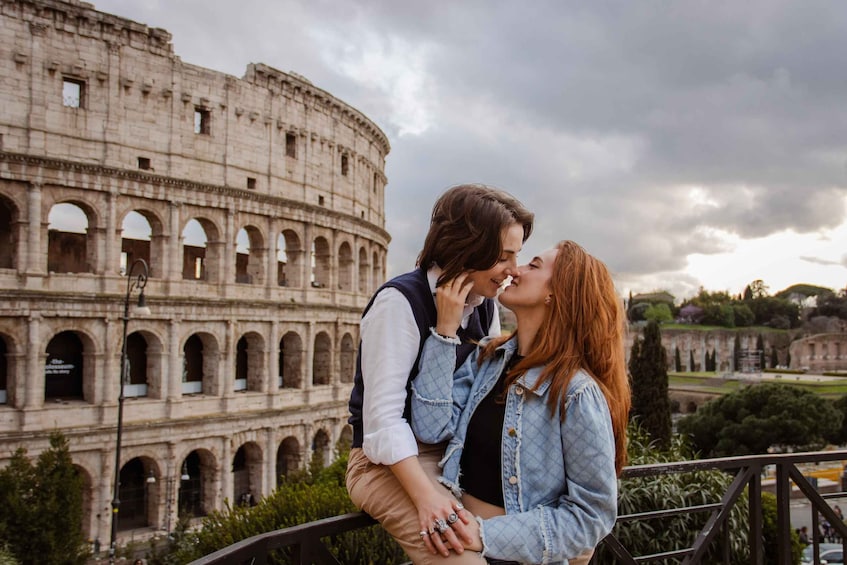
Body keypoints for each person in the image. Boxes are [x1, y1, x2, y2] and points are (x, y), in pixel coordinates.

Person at [346, 184, 534, 563]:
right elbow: (382, 423)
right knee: (459, 558)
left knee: (554, 544)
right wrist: (427, 498)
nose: (513, 271)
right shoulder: (399, 302)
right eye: (503, 257)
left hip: (454, 455)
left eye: (518, 256)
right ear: (466, 248)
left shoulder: (483, 306)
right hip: (387, 466)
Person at [411, 240, 631, 564]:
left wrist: (483, 534)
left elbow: (591, 517)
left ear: (555, 293)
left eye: (534, 265)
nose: (516, 270)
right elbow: (429, 428)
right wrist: (445, 332)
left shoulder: (577, 393)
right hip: (459, 552)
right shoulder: (487, 359)